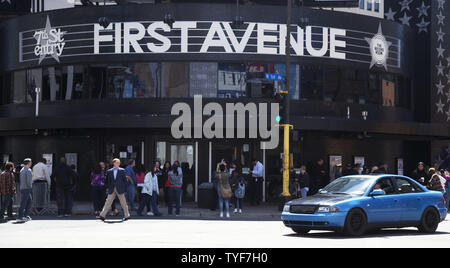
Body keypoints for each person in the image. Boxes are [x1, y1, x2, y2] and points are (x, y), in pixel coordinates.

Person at [17, 159, 33, 223]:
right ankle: (20, 216)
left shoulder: (22, 169)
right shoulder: (28, 170)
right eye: (30, 162)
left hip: (23, 187)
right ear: (28, 163)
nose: (31, 163)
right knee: (24, 203)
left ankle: (26, 215)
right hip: (27, 188)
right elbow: (29, 181)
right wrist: (30, 186)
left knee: (29, 201)